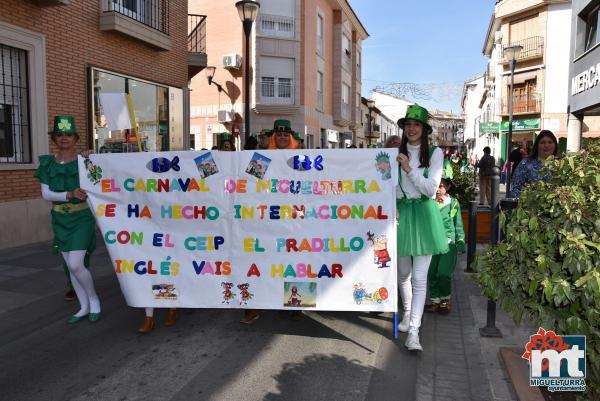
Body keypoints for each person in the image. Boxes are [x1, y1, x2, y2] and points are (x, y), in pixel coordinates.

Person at [34, 115, 101, 323]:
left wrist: (93, 158)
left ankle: (94, 300)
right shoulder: (47, 163)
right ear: (54, 138)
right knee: (69, 266)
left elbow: (98, 180)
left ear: (76, 138)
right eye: (59, 134)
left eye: (68, 134)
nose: (64, 138)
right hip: (60, 220)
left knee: (75, 264)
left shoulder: (85, 160)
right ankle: (83, 307)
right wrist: (69, 194)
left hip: (82, 218)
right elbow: (46, 194)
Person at [395, 105, 449, 351]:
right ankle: (407, 313)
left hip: (424, 215)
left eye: (416, 124)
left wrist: (408, 168)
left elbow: (430, 189)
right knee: (403, 273)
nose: (412, 128)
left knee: (419, 278)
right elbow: (387, 186)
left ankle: (414, 332)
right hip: (400, 215)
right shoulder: (394, 153)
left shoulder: (435, 153)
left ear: (424, 129)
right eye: (408, 124)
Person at [425, 176, 465, 314]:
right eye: (436, 185)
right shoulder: (429, 202)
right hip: (432, 243)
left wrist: (460, 241)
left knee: (443, 273)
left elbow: (458, 224)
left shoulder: (453, 203)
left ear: (447, 187)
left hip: (448, 244)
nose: (438, 189)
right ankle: (435, 301)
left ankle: (445, 301)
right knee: (432, 273)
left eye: (441, 186)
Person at [510, 130, 558, 198]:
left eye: (550, 142)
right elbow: (515, 188)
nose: (546, 145)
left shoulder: (562, 165)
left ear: (555, 145)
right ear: (537, 145)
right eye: (542, 142)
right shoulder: (526, 163)